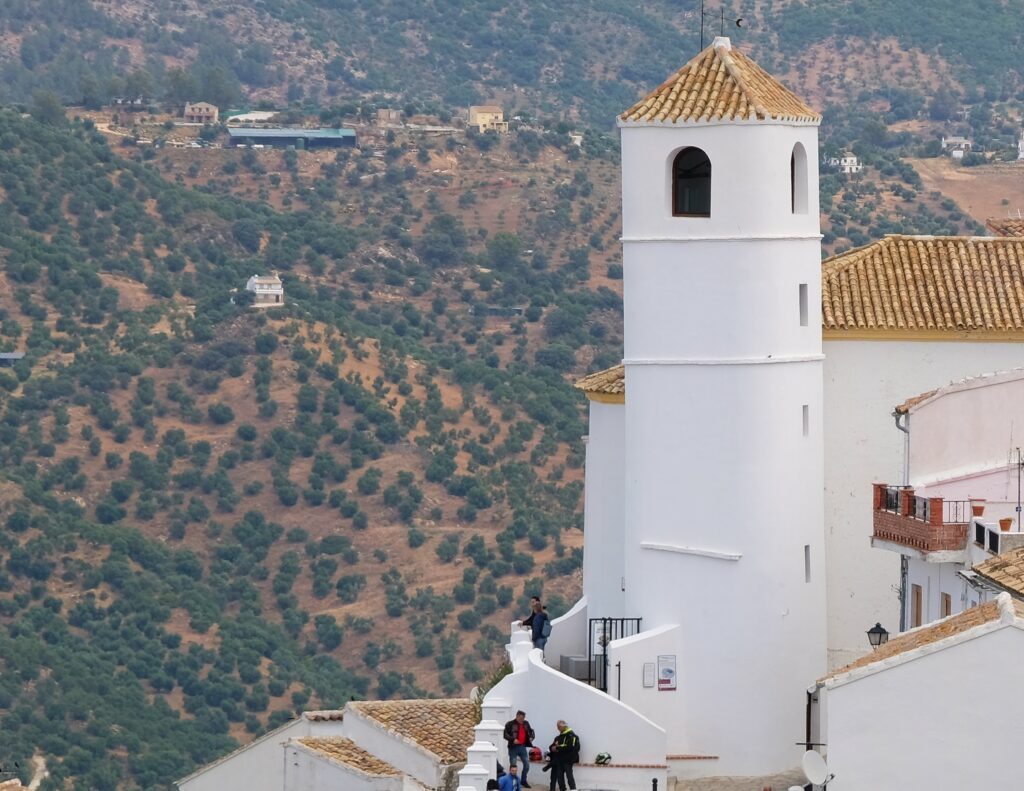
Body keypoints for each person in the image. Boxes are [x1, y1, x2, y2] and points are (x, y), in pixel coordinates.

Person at [503, 710, 535, 788]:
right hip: (513, 747)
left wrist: (531, 737)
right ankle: (513, 782)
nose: (522, 720)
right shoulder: (510, 724)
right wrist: (513, 739)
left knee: (527, 765)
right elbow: (505, 735)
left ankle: (523, 781)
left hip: (522, 747)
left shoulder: (526, 723)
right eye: (521, 718)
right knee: (513, 766)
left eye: (523, 718)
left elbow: (531, 731)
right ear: (517, 716)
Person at [548, 720, 580, 791]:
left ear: (564, 726)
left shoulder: (572, 735)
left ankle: (573, 789)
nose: (558, 728)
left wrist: (557, 747)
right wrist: (552, 748)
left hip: (568, 760)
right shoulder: (559, 737)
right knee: (560, 777)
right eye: (557, 727)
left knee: (569, 776)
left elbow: (571, 747)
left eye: (559, 727)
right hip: (560, 759)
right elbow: (552, 746)